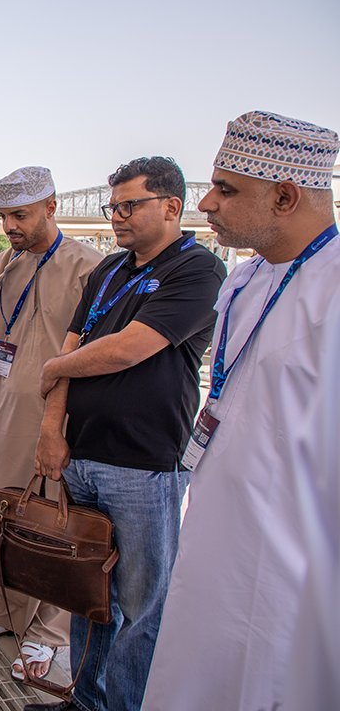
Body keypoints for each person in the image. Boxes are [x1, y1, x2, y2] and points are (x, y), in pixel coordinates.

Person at [143, 112, 340, 711]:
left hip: (294, 568)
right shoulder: (246, 278)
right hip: (216, 532)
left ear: (285, 196)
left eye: (227, 190)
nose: (206, 203)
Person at [25, 157, 227, 711]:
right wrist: (51, 426)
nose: (117, 216)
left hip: (144, 466)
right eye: (112, 207)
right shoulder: (110, 270)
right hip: (82, 456)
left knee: (143, 606)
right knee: (89, 595)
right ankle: (85, 699)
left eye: (129, 205)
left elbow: (129, 347)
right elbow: (72, 347)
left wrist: (53, 370)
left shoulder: (198, 270)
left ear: (171, 207)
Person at [0, 167, 101, 681]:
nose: (10, 225)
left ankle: (47, 634)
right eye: (4, 216)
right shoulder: (3, 261)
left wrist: (57, 423)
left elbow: (93, 352)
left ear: (50, 206)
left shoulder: (90, 265)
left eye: (20, 215)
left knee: (52, 521)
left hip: (57, 416)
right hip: (3, 408)